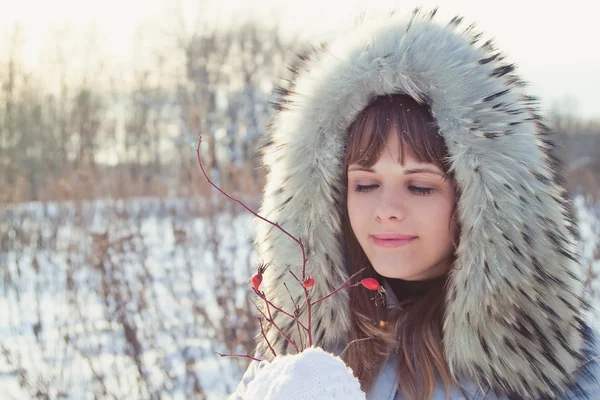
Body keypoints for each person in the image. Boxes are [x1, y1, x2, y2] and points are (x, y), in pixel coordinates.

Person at [228, 7, 599, 400]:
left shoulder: (553, 370)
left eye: (420, 186)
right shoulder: (298, 356)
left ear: (483, 206)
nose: (386, 209)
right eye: (366, 184)